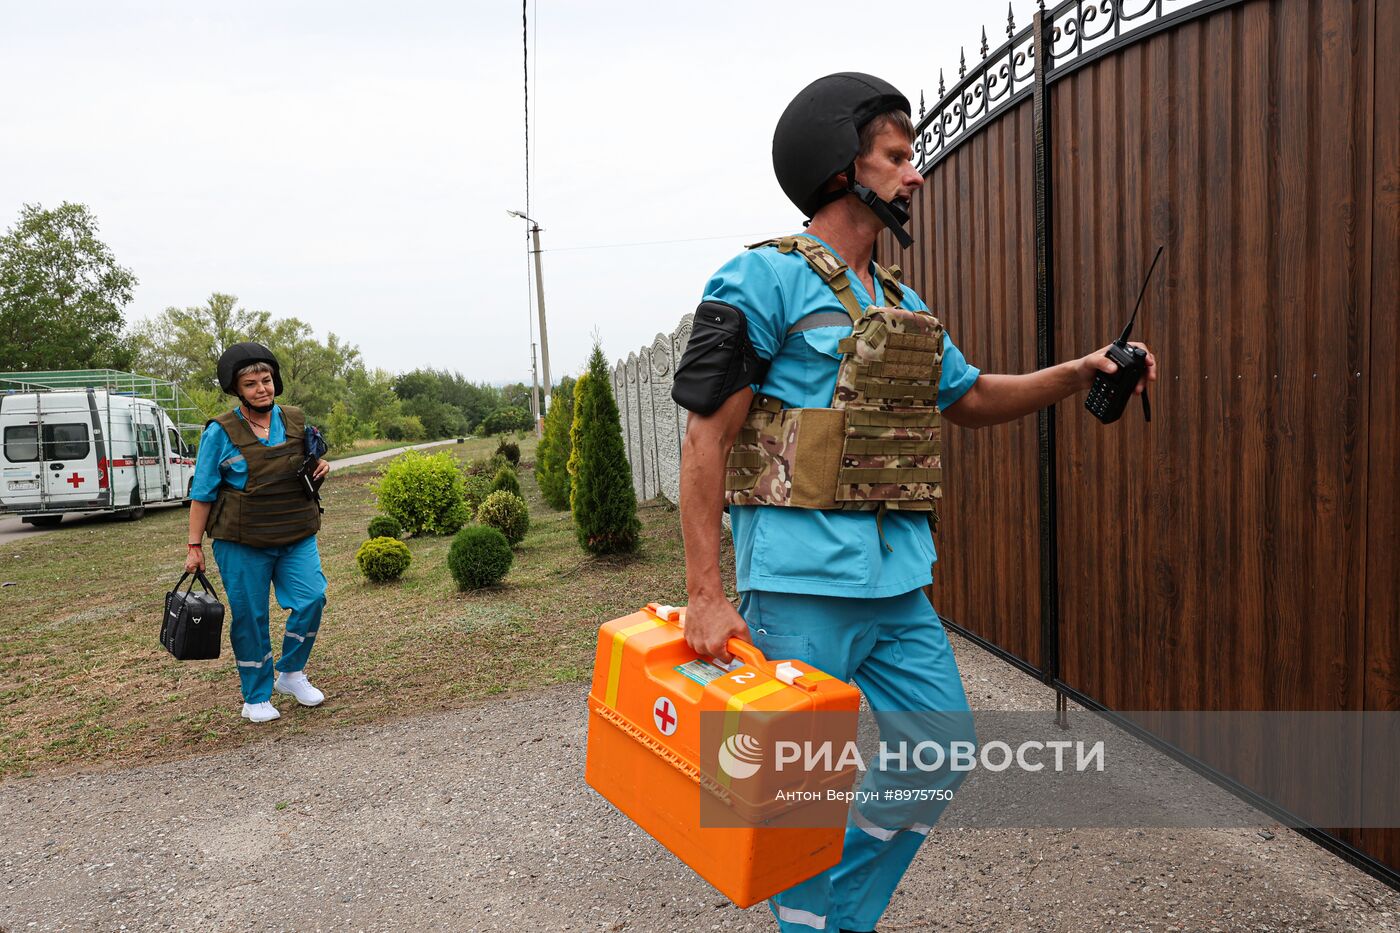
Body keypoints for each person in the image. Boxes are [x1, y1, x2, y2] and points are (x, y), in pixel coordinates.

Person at [674, 73, 1156, 933]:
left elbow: (970, 398)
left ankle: (838, 912)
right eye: (897, 156)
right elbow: (705, 440)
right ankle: (810, 922)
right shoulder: (762, 278)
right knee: (796, 794)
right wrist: (706, 596)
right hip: (800, 587)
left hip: (898, 587)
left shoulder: (901, 304)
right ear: (838, 167)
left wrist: (1080, 371)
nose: (916, 172)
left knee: (939, 750)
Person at [184, 342, 332, 724]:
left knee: (312, 598)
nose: (261, 388)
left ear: (275, 381)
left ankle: (292, 674)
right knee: (250, 617)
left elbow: (308, 461)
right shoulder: (220, 431)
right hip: (241, 542)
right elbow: (202, 493)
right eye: (251, 384)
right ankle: (256, 696)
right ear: (237, 389)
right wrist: (194, 546)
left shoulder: (296, 420)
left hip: (295, 533)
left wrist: (322, 465)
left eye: (266, 380)